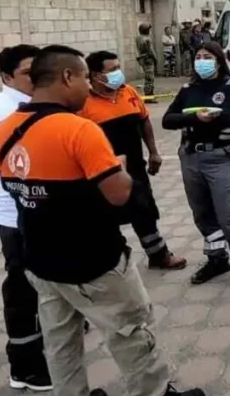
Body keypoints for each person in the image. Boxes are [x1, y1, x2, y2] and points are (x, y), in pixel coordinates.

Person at [0, 45, 205, 396]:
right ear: (67, 77)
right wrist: (119, 168)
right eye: (86, 79)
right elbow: (119, 195)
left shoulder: (5, 129)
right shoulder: (78, 129)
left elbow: (19, 188)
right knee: (130, 329)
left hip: (40, 261)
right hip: (93, 261)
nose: (89, 87)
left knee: (60, 343)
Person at [163, 42, 230, 297]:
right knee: (202, 214)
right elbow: (167, 120)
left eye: (207, 57)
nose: (202, 61)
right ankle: (217, 259)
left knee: (229, 217)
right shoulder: (188, 89)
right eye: (198, 57)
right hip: (190, 158)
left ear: (219, 61)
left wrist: (194, 118)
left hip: (220, 157)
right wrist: (195, 117)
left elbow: (229, 116)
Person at [0, 45, 51, 392]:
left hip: (34, 213)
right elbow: (21, 173)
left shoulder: (25, 107)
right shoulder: (4, 114)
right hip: (18, 216)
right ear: (7, 77)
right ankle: (25, 367)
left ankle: (50, 342)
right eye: (27, 72)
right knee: (21, 291)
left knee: (41, 282)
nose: (36, 77)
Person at [79, 50, 187, 270]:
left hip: (135, 166)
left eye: (118, 67)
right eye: (112, 70)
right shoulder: (82, 104)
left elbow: (144, 122)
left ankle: (158, 255)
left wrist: (154, 152)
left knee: (144, 210)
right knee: (107, 217)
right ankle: (114, 265)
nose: (118, 73)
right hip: (103, 171)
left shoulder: (128, 92)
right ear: (96, 75)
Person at [135, 23, 157, 99]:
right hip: (148, 59)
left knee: (148, 77)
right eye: (148, 29)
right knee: (150, 78)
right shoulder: (147, 39)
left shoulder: (138, 38)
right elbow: (151, 51)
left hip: (142, 59)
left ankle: (149, 95)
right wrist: (155, 59)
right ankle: (149, 96)